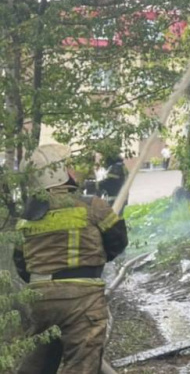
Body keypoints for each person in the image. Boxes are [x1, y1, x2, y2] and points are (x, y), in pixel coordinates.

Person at [13, 144, 128, 374]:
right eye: (67, 167)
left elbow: (22, 265)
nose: (73, 170)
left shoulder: (25, 220)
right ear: (57, 174)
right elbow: (118, 241)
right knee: (82, 364)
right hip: (82, 300)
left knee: (37, 364)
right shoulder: (91, 206)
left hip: (40, 300)